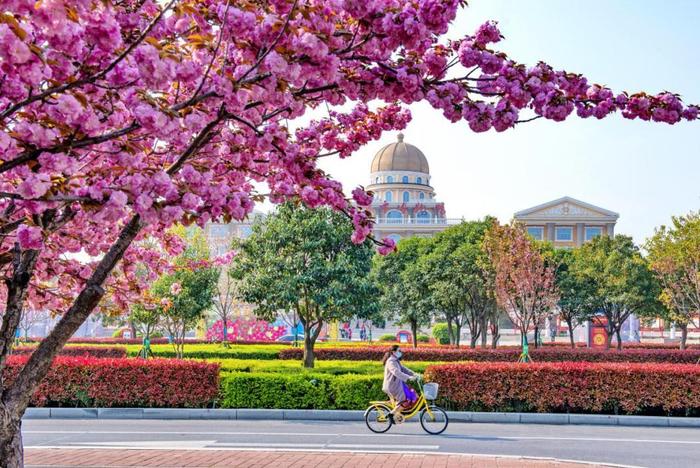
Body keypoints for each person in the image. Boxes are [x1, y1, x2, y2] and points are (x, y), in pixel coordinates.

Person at [382, 345, 419, 416]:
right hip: (392, 386)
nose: (400, 352)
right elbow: (396, 372)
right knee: (407, 399)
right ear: (393, 352)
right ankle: (392, 414)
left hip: (397, 384)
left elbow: (404, 369)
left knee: (414, 395)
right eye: (399, 351)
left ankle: (398, 413)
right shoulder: (391, 362)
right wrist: (409, 378)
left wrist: (414, 374)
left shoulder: (396, 361)